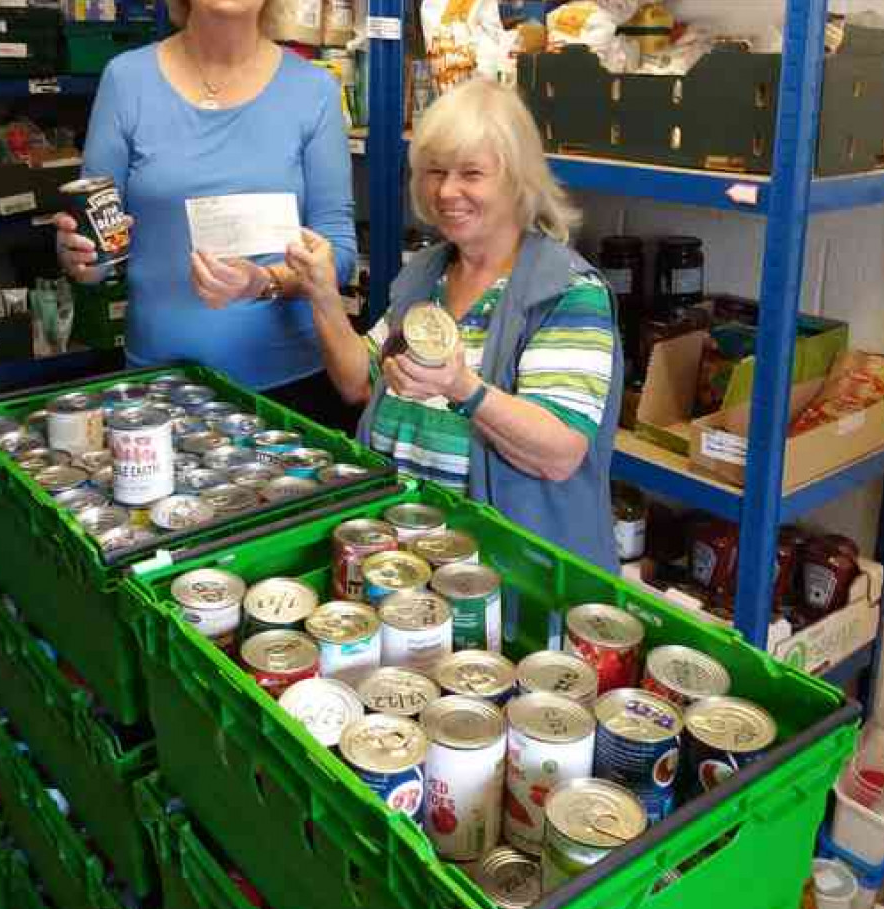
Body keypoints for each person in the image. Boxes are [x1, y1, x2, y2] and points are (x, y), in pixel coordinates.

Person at [200, 77, 623, 570]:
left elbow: (560, 452)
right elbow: (360, 382)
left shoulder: (565, 292)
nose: (447, 191)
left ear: (518, 180)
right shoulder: (428, 271)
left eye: (471, 173)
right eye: (435, 171)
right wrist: (321, 293)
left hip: (506, 569)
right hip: (402, 552)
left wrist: (465, 388)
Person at [54, 0, 357, 425]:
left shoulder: (312, 91)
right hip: (160, 385)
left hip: (291, 384)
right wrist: (79, 258)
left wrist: (264, 282)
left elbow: (339, 253)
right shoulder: (128, 81)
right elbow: (98, 246)